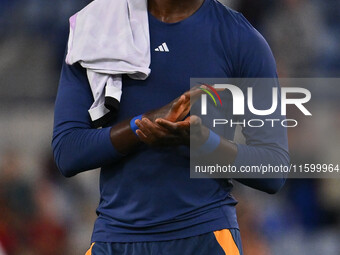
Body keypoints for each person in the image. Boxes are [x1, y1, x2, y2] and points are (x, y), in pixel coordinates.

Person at [52, 0, 289, 254]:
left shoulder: (240, 40)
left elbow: (273, 169)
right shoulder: (95, 29)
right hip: (115, 240)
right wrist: (143, 125)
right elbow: (68, 151)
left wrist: (200, 142)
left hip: (204, 238)